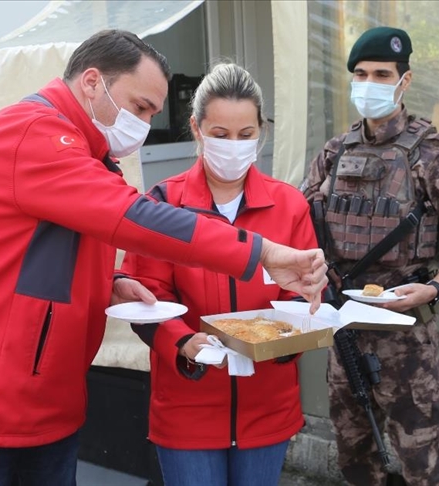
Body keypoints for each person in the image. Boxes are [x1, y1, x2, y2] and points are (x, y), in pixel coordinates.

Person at [0, 30, 326, 486]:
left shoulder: (85, 152)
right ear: (91, 82)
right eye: (140, 106)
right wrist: (262, 252)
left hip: (35, 401)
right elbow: (131, 217)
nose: (143, 124)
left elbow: (30, 259)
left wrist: (108, 283)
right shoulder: (33, 133)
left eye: (152, 113)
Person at [114, 63, 316, 486]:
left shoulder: (290, 205)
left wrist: (288, 336)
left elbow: (304, 294)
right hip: (188, 405)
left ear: (261, 131)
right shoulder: (163, 204)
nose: (234, 147)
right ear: (197, 129)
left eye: (246, 135)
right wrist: (184, 342)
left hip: (268, 404)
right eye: (220, 135)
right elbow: (144, 297)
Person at [301, 26, 439, 486]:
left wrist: (435, 287)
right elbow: (302, 228)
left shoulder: (431, 154)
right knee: (355, 457)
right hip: (344, 326)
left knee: (422, 461)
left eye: (382, 74)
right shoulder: (334, 153)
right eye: (360, 74)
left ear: (405, 80)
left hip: (407, 338)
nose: (369, 83)